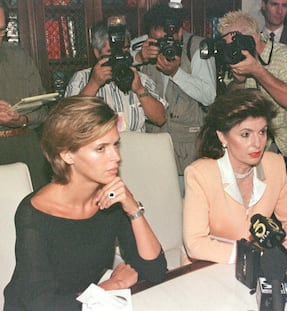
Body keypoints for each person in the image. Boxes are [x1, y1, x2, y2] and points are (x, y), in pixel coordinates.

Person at [4, 96, 167, 310]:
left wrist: (133, 208)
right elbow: (40, 304)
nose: (115, 157)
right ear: (67, 155)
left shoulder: (111, 198)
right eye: (101, 148)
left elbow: (154, 271)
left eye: (115, 145)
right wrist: (110, 287)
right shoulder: (35, 213)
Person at [183, 89, 287, 264]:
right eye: (246, 134)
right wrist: (256, 254)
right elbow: (195, 243)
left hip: (263, 265)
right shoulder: (200, 174)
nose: (257, 143)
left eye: (262, 132)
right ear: (222, 137)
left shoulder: (275, 165)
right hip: (209, 265)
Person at [131, 4, 216, 177]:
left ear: (178, 32)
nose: (162, 46)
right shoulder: (140, 45)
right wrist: (138, 58)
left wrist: (176, 73)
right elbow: (118, 74)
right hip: (152, 142)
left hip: (189, 145)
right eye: (156, 40)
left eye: (167, 39)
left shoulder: (198, 47)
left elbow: (209, 96)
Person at [218, 10, 287, 159]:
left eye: (235, 43)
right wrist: (239, 81)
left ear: (253, 38)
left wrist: (257, 70)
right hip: (244, 142)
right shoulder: (233, 58)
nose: (232, 49)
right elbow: (229, 104)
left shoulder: (282, 55)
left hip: (280, 145)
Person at [65, 20, 167, 132]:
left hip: (135, 147)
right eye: (112, 52)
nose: (119, 57)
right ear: (97, 53)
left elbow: (160, 119)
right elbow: (69, 122)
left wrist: (140, 90)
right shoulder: (82, 78)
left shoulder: (140, 78)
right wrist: (94, 84)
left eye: (124, 50)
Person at [0, 0, 50, 190]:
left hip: (26, 149)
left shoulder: (18, 57)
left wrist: (21, 119)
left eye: (1, 30)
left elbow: (42, 111)